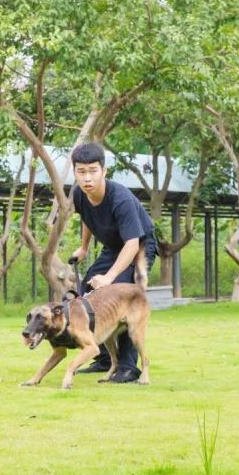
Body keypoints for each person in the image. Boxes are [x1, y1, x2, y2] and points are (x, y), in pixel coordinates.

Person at [68, 142, 157, 384]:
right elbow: (87, 217)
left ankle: (128, 368)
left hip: (139, 245)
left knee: (122, 295)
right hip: (114, 246)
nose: (87, 178)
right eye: (81, 172)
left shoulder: (120, 199)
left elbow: (132, 244)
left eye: (93, 171)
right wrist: (84, 248)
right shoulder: (79, 194)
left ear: (104, 171)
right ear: (75, 172)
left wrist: (109, 278)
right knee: (88, 288)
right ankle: (106, 358)